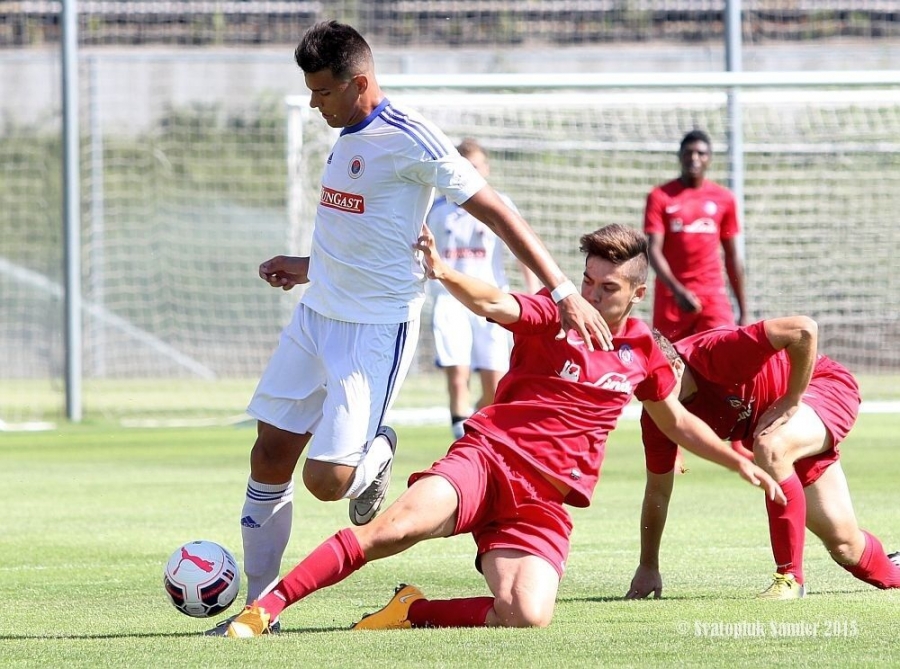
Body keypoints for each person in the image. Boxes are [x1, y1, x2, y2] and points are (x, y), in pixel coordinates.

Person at [208, 20, 614, 634]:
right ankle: (260, 607)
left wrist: (561, 291)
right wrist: (306, 266)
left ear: (360, 82)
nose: (314, 104)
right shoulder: (345, 134)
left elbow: (497, 209)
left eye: (322, 92)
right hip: (316, 316)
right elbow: (364, 233)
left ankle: (375, 453)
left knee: (327, 482)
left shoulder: (412, 139)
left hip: (373, 330)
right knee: (268, 453)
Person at [215, 223, 784, 637]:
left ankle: (412, 611)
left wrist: (736, 459)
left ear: (637, 293)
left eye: (607, 288)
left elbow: (677, 421)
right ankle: (266, 608)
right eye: (586, 281)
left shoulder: (644, 354)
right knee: (394, 530)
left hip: (542, 502)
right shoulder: (553, 314)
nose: (590, 294)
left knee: (526, 615)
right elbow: (494, 302)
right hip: (486, 460)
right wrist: (441, 272)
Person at [626, 318, 900, 601]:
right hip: (779, 431)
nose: (650, 397)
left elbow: (804, 329)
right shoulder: (657, 416)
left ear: (675, 366)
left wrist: (793, 397)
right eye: (639, 391)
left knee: (770, 448)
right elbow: (657, 491)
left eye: (653, 384)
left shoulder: (716, 353)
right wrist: (648, 565)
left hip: (820, 387)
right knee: (846, 546)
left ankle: (790, 578)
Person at [643, 129, 750, 470]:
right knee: (668, 371)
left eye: (701, 152)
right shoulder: (661, 196)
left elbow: (733, 256)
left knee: (728, 366)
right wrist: (677, 290)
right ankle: (674, 444)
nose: (695, 157)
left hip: (713, 298)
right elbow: (653, 251)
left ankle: (739, 439)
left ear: (709, 157)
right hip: (673, 299)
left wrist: (743, 307)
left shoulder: (723, 199)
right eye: (689, 151)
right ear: (680, 155)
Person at [426, 137, 540, 439]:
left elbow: (521, 246)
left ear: (485, 169)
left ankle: (475, 422)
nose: (471, 173)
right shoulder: (436, 209)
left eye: (476, 167)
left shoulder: (498, 204)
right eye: (465, 168)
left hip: (491, 301)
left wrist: (532, 289)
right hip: (450, 302)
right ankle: (461, 445)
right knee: (457, 377)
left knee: (496, 385)